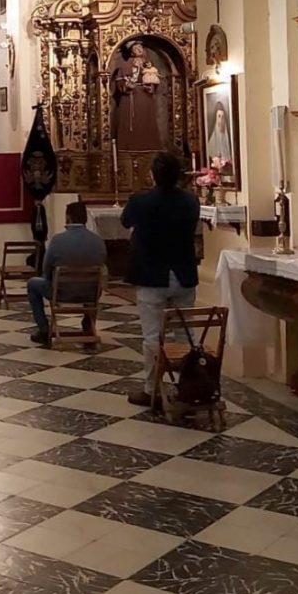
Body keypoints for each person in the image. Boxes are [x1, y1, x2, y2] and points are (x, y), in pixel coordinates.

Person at [121, 151, 200, 407]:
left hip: (152, 275)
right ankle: (187, 387)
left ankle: (151, 389)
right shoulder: (191, 202)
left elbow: (125, 221)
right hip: (183, 273)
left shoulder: (140, 202)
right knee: (183, 334)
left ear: (153, 175)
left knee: (153, 336)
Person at [26, 203, 107, 347]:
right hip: (90, 292)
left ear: (68, 217)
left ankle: (44, 330)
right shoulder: (98, 241)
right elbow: (102, 266)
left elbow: (46, 268)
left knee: (32, 284)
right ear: (85, 219)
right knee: (93, 283)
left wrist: (49, 278)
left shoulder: (58, 240)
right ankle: (88, 327)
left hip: (61, 292)